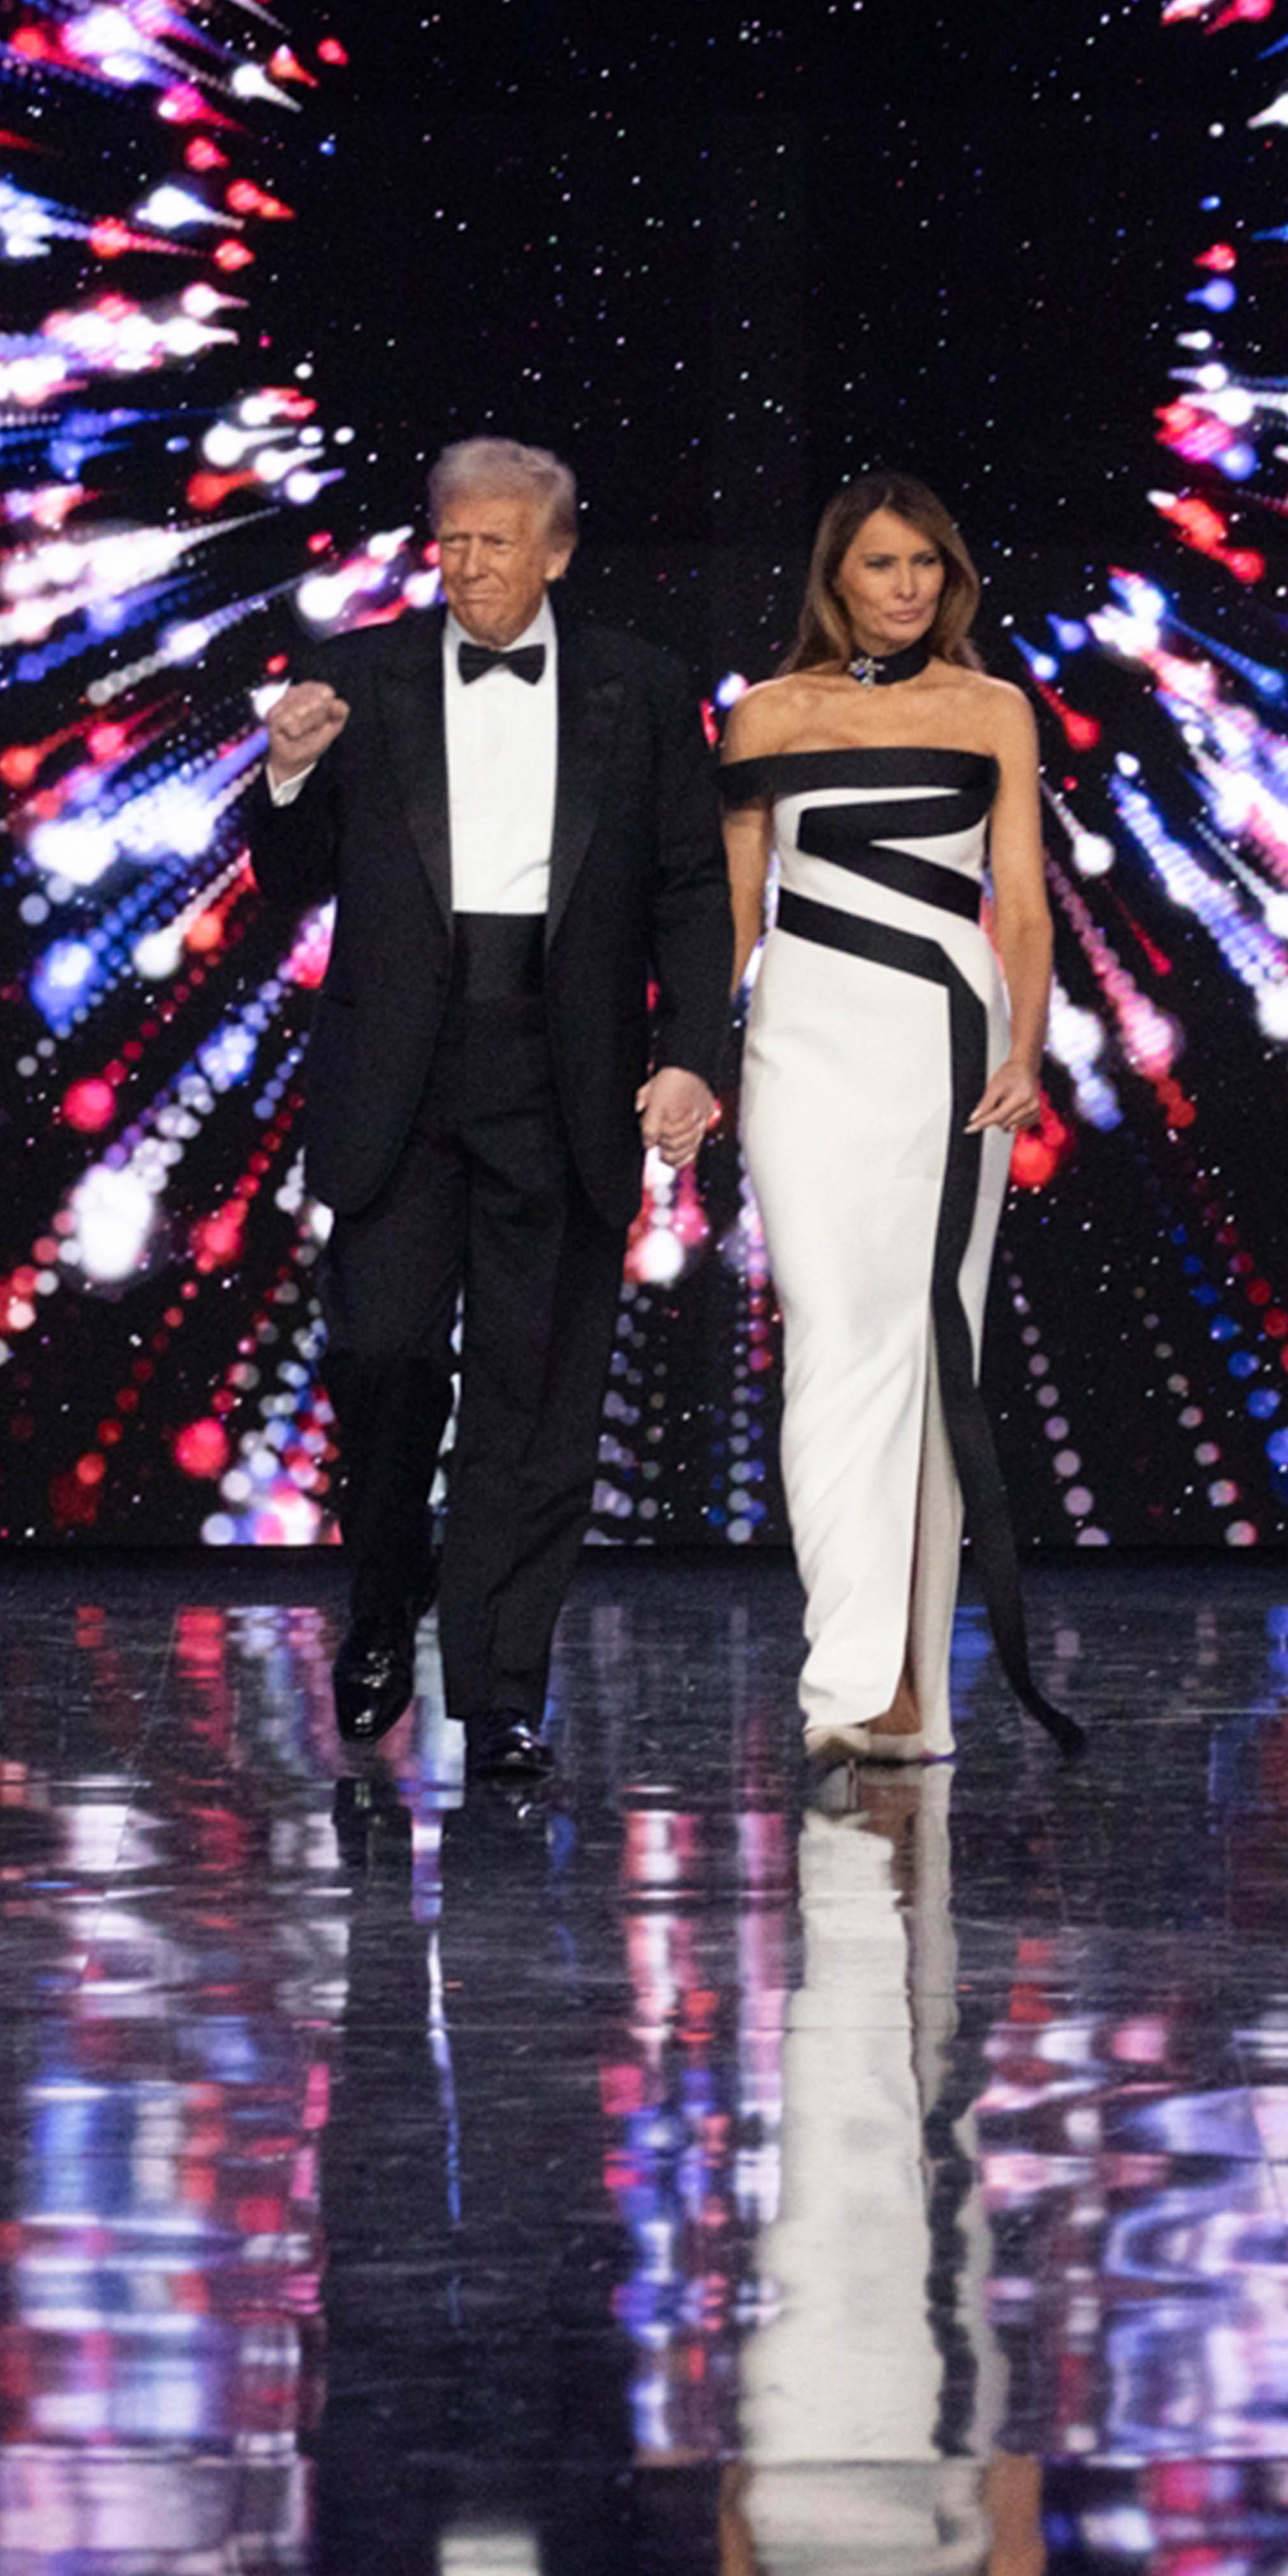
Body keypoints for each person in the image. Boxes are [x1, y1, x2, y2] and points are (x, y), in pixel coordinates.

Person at [251, 437, 731, 1781]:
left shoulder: (642, 690)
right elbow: (288, 879)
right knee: (387, 1361)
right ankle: (384, 1597)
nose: (466, 566)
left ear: (559, 553)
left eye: (497, 542)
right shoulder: (357, 674)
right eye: (450, 540)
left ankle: (503, 1688)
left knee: (536, 1395)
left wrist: (691, 1052)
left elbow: (692, 888)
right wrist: (285, 777)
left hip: (566, 1069)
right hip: (399, 1069)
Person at [720, 472, 1082, 1766]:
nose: (906, 588)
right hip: (803, 1040)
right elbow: (735, 909)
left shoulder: (994, 710)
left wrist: (1027, 1048)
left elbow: (1025, 903)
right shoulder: (765, 716)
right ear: (837, 578)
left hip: (944, 1036)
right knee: (831, 1327)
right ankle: (852, 1671)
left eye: (926, 565)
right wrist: (697, 1059)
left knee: (931, 1346)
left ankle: (900, 1695)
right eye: (881, 565)